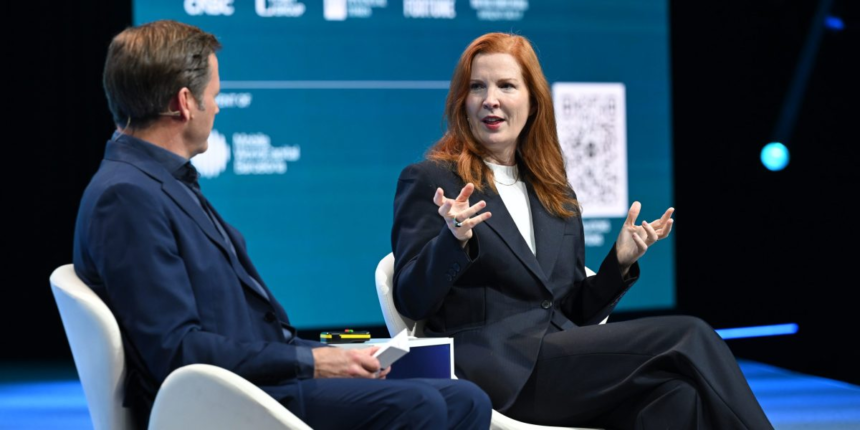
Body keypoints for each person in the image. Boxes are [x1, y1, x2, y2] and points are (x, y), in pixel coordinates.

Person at [73, 20, 491, 430]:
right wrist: (312, 362)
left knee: (465, 399)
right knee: (421, 406)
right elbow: (177, 350)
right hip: (229, 399)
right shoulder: (125, 197)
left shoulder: (156, 181)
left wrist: (330, 355)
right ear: (184, 103)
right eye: (214, 96)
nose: (216, 107)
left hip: (260, 380)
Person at [391, 32, 773, 429]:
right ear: (462, 102)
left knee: (678, 398)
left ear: (533, 101)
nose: (490, 99)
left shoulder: (553, 191)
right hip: (495, 370)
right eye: (477, 87)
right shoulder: (431, 179)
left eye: (506, 86)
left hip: (557, 363)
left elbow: (570, 312)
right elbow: (412, 300)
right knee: (690, 334)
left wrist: (619, 263)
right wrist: (452, 240)